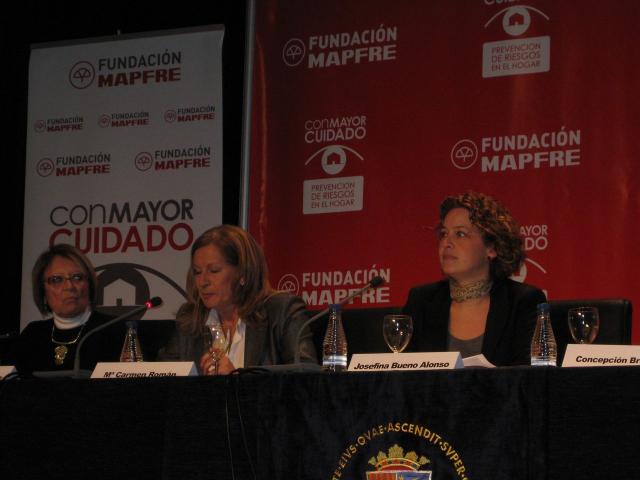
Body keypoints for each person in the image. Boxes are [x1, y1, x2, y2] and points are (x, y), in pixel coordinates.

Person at [402, 192, 546, 366]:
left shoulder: (522, 302)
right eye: (444, 234)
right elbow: (400, 373)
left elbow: (530, 376)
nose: (446, 243)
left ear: (491, 248)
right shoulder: (421, 301)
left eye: (460, 234)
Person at [159, 225, 317, 374]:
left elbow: (307, 381)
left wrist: (238, 379)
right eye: (197, 272)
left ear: (242, 273)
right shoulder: (189, 319)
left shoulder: (281, 311)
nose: (203, 282)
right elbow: (163, 379)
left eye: (214, 270)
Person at [10, 244, 123, 373]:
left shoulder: (115, 330)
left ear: (89, 284)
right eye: (57, 279)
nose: (69, 286)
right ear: (42, 290)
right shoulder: (32, 335)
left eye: (77, 277)